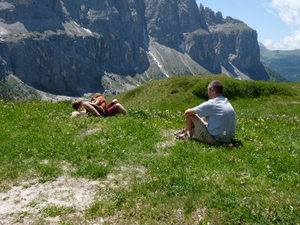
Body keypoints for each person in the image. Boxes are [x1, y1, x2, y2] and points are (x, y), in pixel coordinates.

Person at [174, 80, 236, 145]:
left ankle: (186, 134)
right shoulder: (226, 101)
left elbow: (187, 112)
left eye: (208, 91)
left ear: (212, 90)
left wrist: (191, 117)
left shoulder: (211, 103)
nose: (208, 94)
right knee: (204, 115)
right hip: (228, 138)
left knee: (190, 115)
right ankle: (187, 132)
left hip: (216, 139)